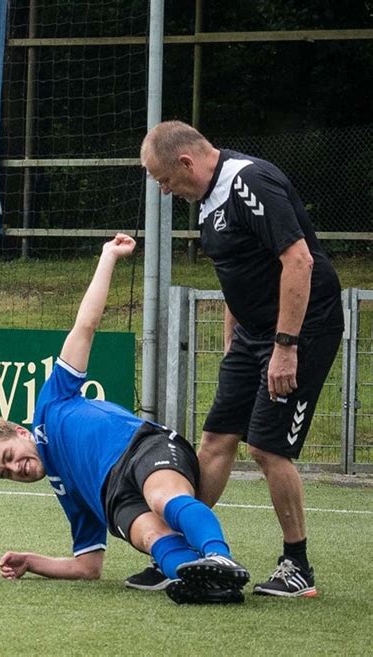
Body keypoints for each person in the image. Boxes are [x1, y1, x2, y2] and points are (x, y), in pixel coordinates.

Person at [0, 233, 250, 606]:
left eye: (8, 457)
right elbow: (89, 567)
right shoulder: (67, 492)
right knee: (149, 535)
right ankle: (204, 582)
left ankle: (219, 556)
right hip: (111, 496)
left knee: (163, 497)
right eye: (6, 473)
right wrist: (32, 561)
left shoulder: (50, 406)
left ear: (20, 432)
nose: (15, 468)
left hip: (139, 448)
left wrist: (109, 257)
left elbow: (84, 327)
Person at [126, 121, 344, 598]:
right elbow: (238, 276)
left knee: (267, 448)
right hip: (253, 334)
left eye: (163, 180)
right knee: (215, 440)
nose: (164, 192)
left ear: (185, 163)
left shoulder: (249, 181)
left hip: (303, 327)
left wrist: (285, 346)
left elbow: (299, 260)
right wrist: (235, 345)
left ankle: (297, 565)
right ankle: (183, 553)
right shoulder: (207, 201)